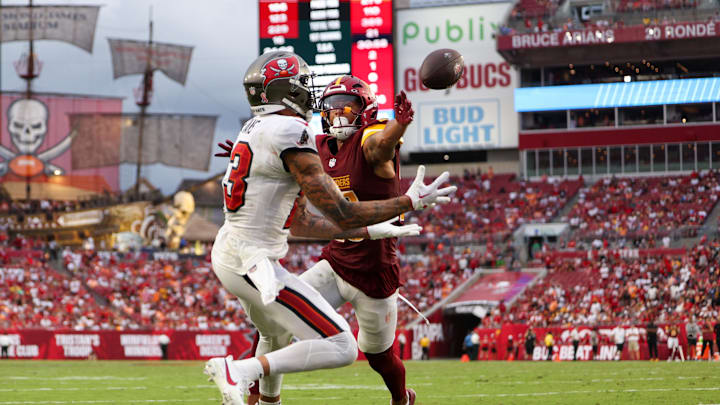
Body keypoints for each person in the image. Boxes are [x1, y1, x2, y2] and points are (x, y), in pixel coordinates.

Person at [204, 51, 455, 405]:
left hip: (374, 269)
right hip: (333, 258)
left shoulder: (366, 135)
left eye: (347, 106)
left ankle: (401, 398)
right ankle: (254, 387)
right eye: (333, 105)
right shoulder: (304, 139)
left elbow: (380, 148)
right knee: (296, 331)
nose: (337, 112)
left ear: (365, 109)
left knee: (378, 353)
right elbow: (336, 216)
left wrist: (400, 124)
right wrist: (408, 202)